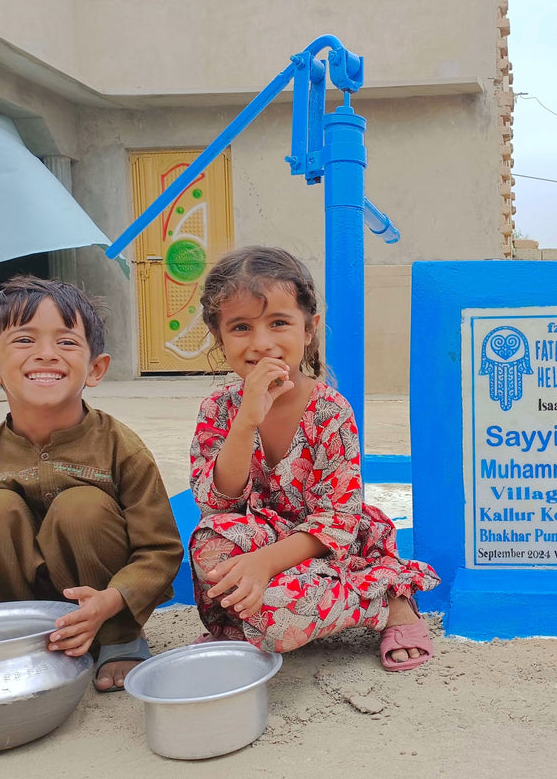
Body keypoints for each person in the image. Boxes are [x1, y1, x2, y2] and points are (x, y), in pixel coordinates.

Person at [188, 246, 439, 670]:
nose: (261, 343)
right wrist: (246, 422)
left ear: (309, 330)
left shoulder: (331, 412)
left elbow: (336, 523)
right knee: (209, 544)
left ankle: (384, 602)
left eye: (279, 323)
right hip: (262, 538)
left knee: (281, 611)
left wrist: (264, 564)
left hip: (328, 547)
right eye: (241, 327)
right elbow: (218, 504)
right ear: (220, 338)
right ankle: (253, 622)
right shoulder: (220, 409)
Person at [0, 276, 183, 690]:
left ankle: (117, 640)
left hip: (104, 604)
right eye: (24, 340)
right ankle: (16, 645)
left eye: (67, 342)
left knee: (82, 507)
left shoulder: (120, 448)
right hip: (14, 609)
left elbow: (159, 549)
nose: (46, 355)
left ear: (96, 368)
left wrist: (114, 602)